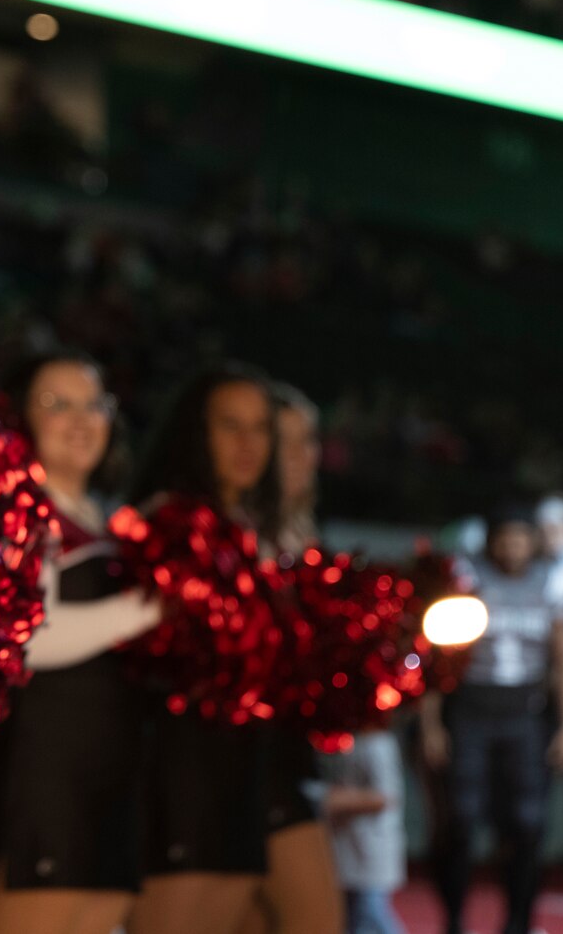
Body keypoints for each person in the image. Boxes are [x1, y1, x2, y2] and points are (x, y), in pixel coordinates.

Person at [0, 349, 163, 934]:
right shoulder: (21, 509)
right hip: (45, 772)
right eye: (56, 404)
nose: (79, 420)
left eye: (93, 404)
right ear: (23, 418)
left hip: (110, 770)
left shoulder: (107, 518)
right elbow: (29, 639)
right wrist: (150, 608)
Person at [127, 363, 281, 934]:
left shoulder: (252, 526)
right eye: (229, 425)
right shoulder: (167, 521)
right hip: (177, 763)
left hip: (240, 759)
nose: (249, 444)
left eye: (260, 427)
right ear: (195, 432)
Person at [419, 502, 563, 934]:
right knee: (461, 820)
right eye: (505, 537)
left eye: (521, 537)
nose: (513, 547)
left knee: (528, 825)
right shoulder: (468, 579)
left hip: (525, 715)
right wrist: (431, 723)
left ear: (534, 541)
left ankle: (518, 922)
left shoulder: (550, 583)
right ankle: (453, 919)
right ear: (490, 540)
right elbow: (438, 653)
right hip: (472, 712)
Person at [243, 384, 342, 934]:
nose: (307, 457)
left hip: (286, 760)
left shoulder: (303, 536)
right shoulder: (227, 535)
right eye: (289, 443)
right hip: (230, 762)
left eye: (312, 441)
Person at [320, 729, 408, 934]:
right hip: (347, 846)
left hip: (372, 847)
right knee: (349, 919)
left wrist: (332, 800)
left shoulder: (378, 743)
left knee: (371, 912)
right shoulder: (347, 741)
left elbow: (385, 796)